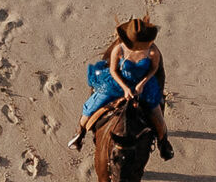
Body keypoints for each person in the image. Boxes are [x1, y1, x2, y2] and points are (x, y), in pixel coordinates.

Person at [68, 16, 173, 160]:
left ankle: (163, 143)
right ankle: (79, 134)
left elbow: (154, 69)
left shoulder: (153, 51)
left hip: (143, 85)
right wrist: (125, 88)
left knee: (159, 118)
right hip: (118, 82)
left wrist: (142, 84)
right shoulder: (119, 49)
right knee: (91, 107)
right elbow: (113, 70)